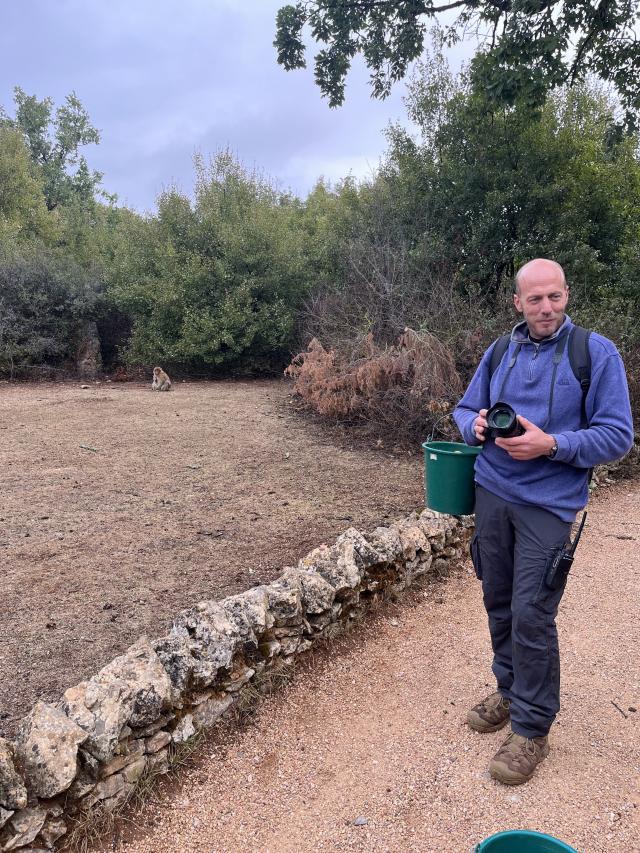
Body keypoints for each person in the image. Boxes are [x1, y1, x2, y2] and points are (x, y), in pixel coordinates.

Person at [453, 258, 634, 785]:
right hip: (492, 495)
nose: (546, 308)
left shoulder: (594, 354)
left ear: (567, 295)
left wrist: (551, 444)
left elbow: (617, 435)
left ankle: (531, 729)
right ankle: (509, 691)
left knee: (532, 614)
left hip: (550, 507)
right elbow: (464, 410)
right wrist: (477, 424)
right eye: (535, 299)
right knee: (498, 600)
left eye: (554, 297)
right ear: (518, 303)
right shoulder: (499, 351)